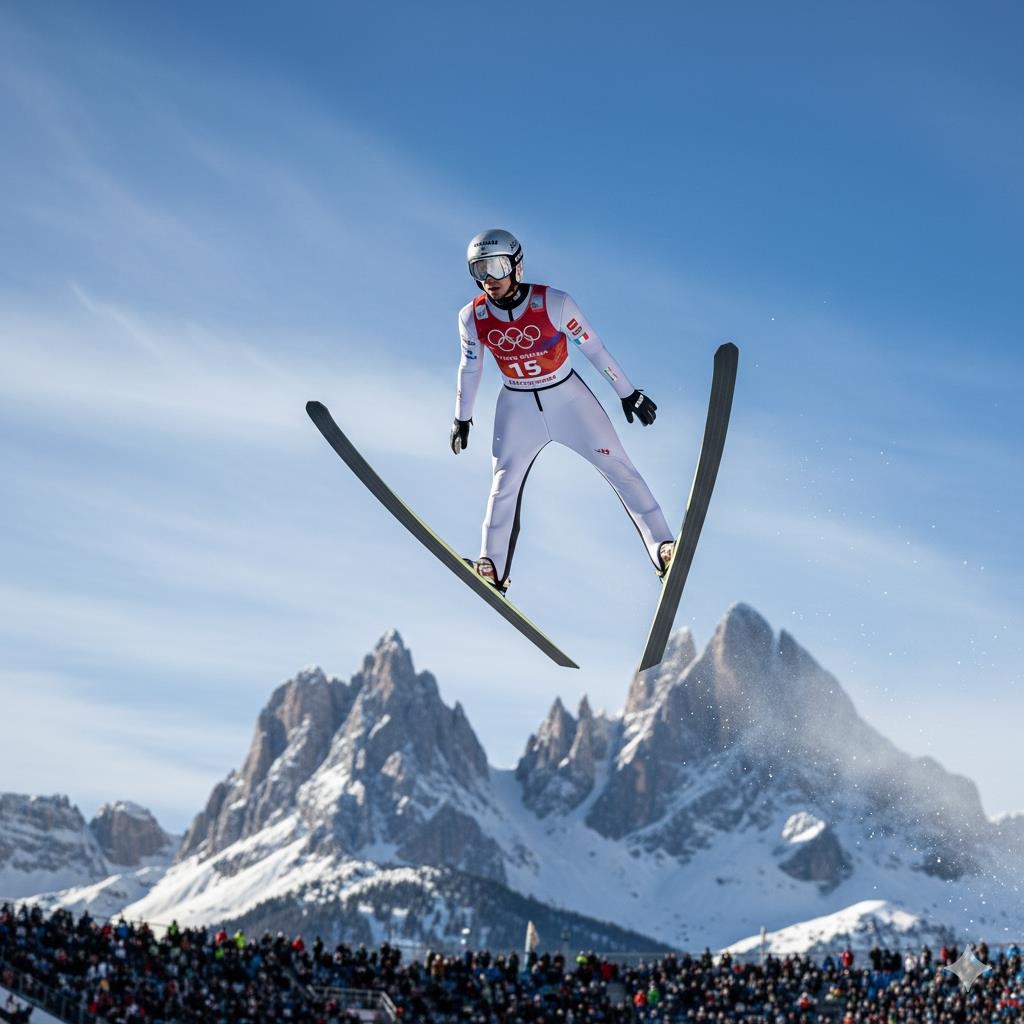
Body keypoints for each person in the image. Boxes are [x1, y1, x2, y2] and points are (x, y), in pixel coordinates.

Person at [450, 228, 674, 592]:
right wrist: (462, 417)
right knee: (503, 484)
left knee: (619, 467)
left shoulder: (553, 302)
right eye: (479, 270)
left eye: (496, 267)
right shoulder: (471, 316)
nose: (489, 279)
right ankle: (492, 566)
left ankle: (663, 548)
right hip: (516, 405)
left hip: (568, 399)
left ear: (516, 266)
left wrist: (627, 392)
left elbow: (594, 348)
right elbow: (470, 366)